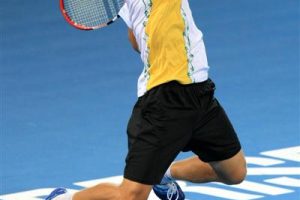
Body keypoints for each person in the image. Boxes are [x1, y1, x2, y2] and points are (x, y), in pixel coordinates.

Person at [45, 0, 247, 199]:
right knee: (131, 196)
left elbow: (135, 42)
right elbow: (137, 40)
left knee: (234, 172)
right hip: (163, 103)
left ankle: (164, 173)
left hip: (200, 92)